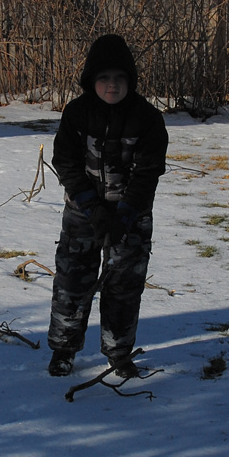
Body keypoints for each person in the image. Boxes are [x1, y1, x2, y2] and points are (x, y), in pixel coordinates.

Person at [46, 34, 168, 378]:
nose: (111, 85)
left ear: (130, 81)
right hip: (83, 215)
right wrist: (95, 210)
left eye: (119, 78)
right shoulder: (76, 114)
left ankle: (118, 353)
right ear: (91, 81)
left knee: (124, 287)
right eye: (103, 78)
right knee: (72, 282)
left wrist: (124, 215)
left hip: (132, 218)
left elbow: (148, 172)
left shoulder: (147, 119)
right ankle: (63, 350)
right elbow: (66, 163)